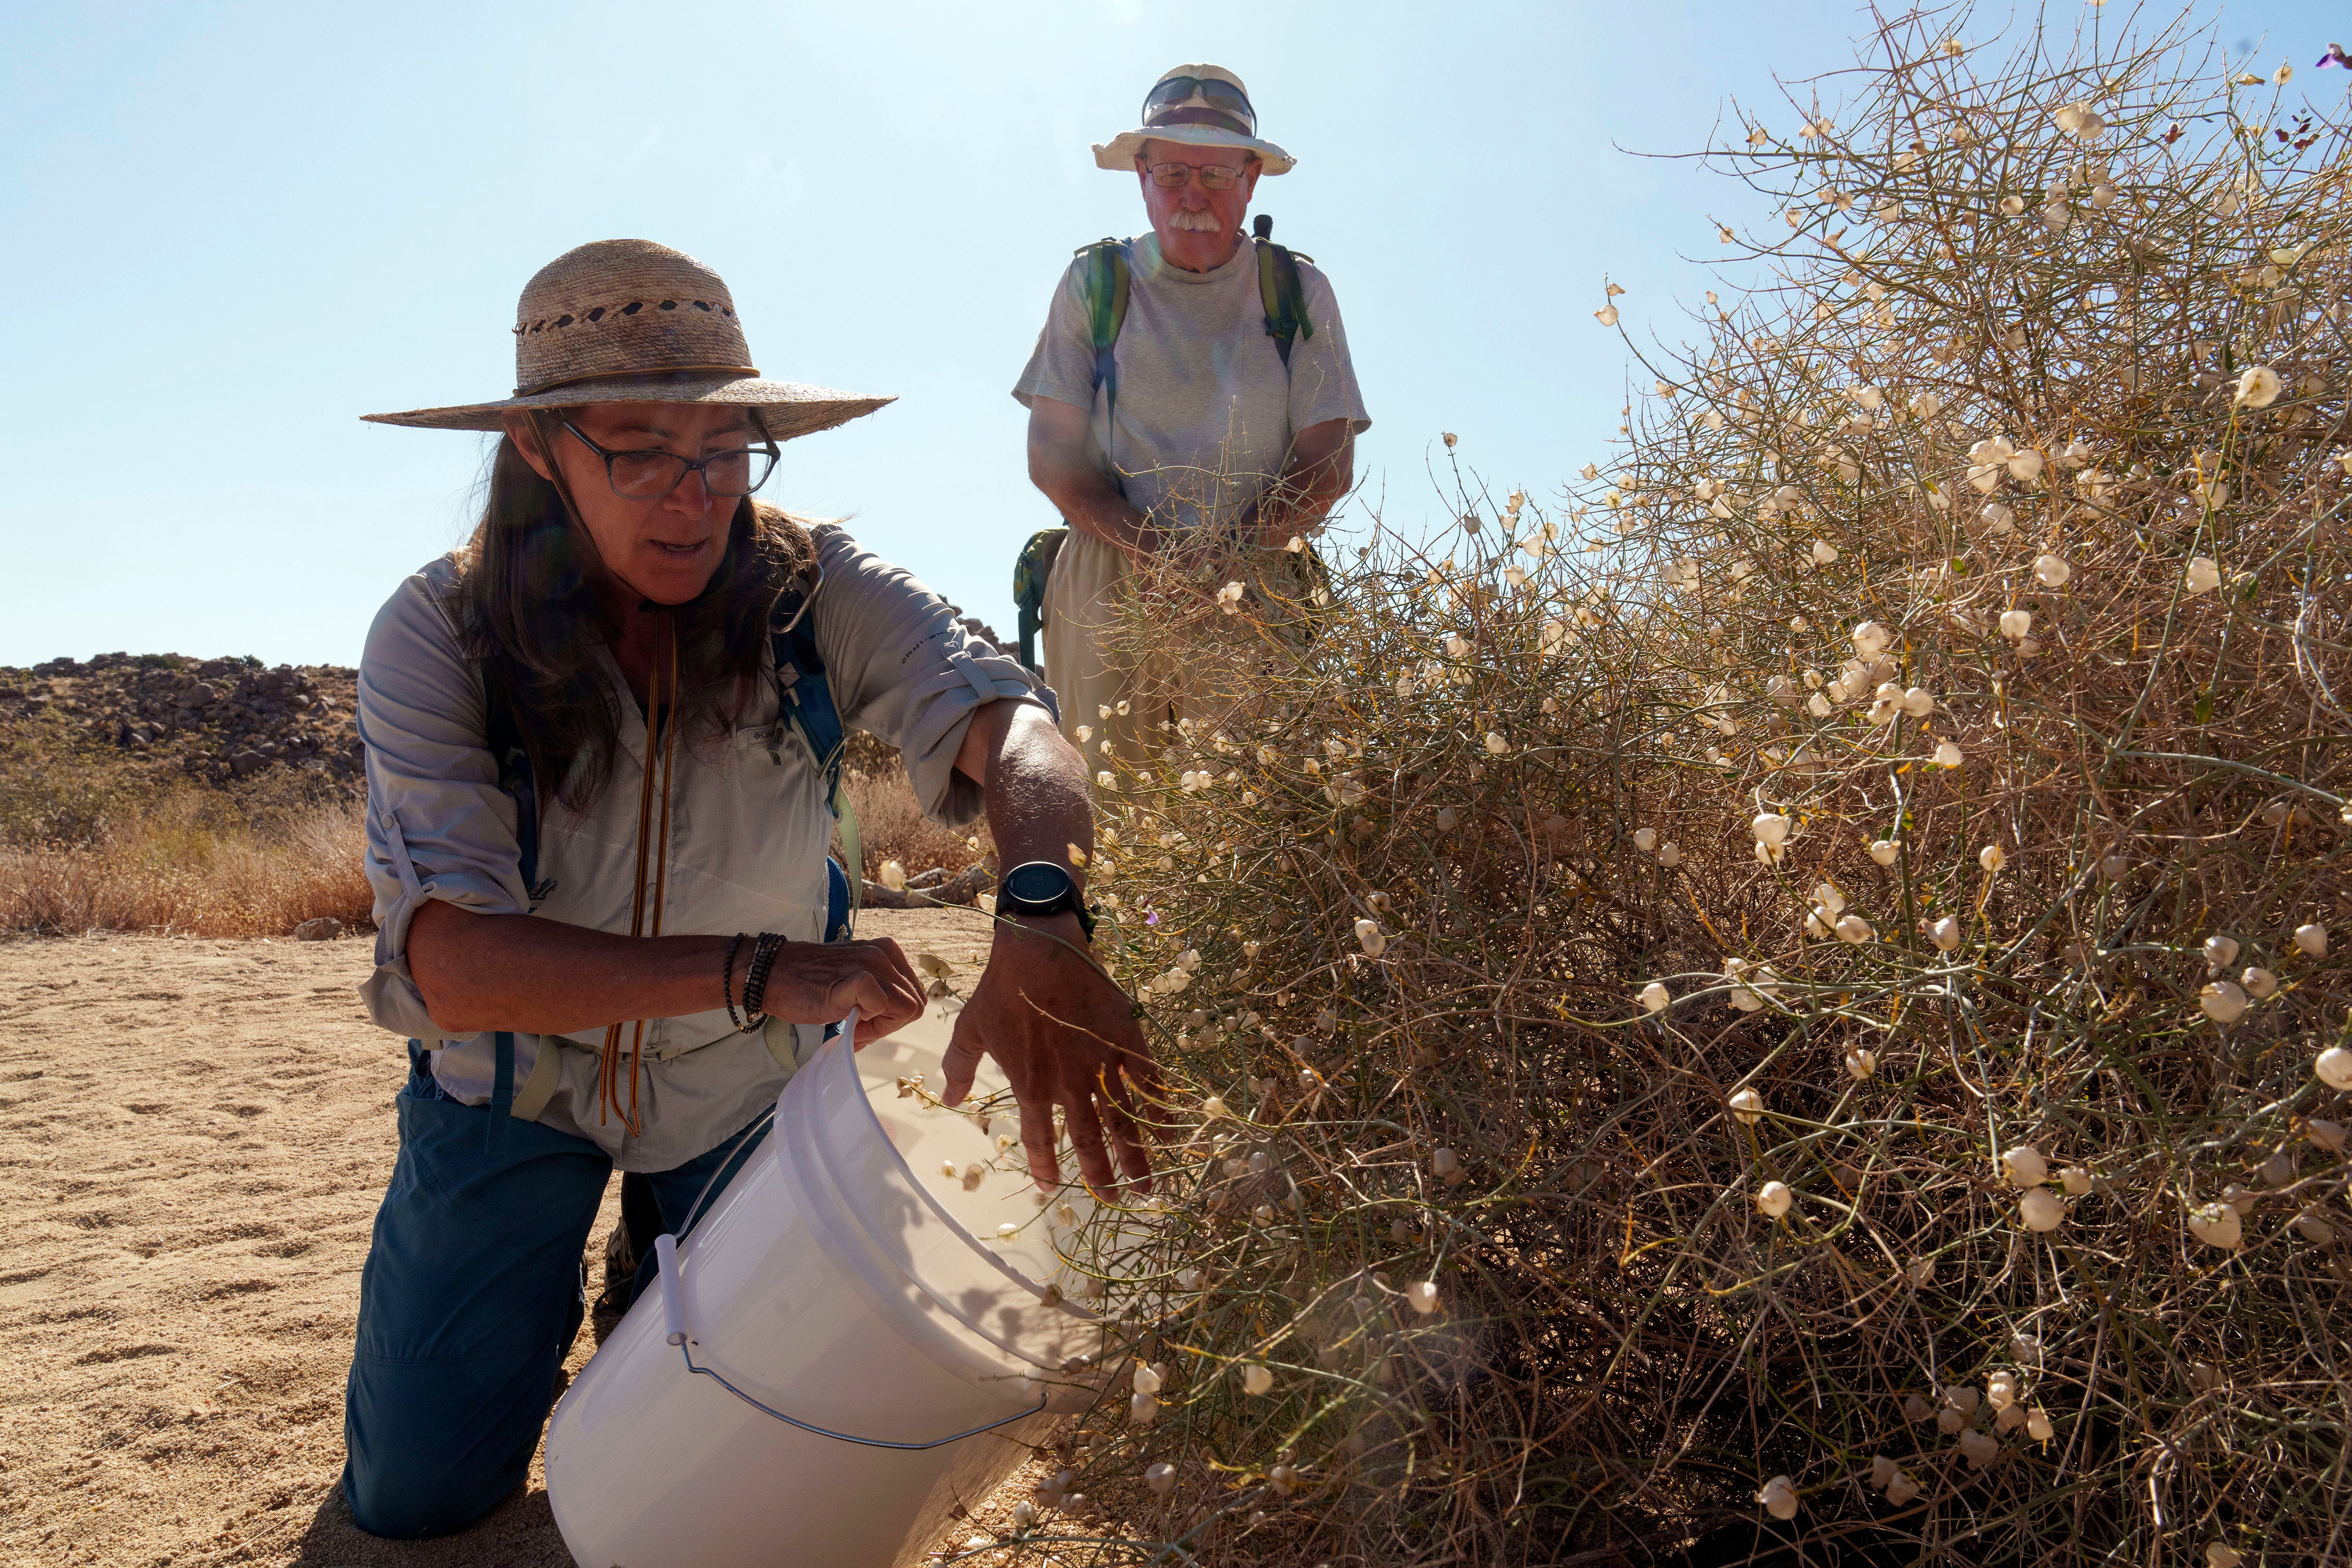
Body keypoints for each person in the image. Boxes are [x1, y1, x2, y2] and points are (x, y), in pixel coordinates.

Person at [341, 238, 1155, 1538]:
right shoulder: (438, 629)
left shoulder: (811, 585)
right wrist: (760, 968)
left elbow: (1019, 728)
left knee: (743, 1415)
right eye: (638, 451)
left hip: (747, 1087)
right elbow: (454, 963)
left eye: (725, 449)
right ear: (541, 451)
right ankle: (583, 1255)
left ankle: (654, 1260)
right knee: (417, 1495)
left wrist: (1045, 912)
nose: (692, 496)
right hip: (511, 1085)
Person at [1015, 64, 1371, 762]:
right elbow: (1051, 458)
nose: (1192, 198)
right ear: (1141, 175)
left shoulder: (1296, 290)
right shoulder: (1094, 285)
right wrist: (1158, 553)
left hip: (1257, 569)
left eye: (1214, 177)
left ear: (1251, 180)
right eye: (1173, 175)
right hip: (1109, 568)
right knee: (1110, 811)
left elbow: (1326, 462)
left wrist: (1231, 558)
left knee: (1253, 816)